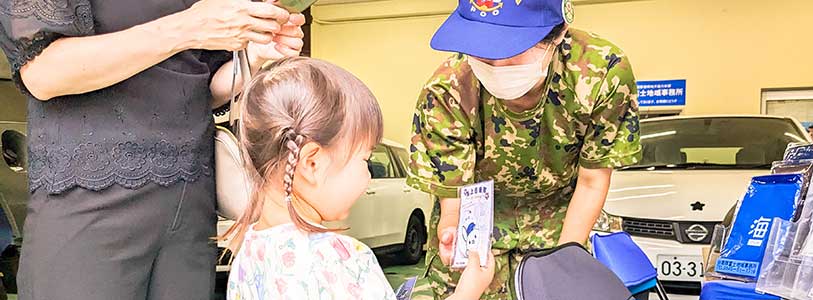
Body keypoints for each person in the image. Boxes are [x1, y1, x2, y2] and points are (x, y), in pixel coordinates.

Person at [0, 0, 304, 299]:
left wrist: (253, 56)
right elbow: (43, 73)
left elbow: (200, 88)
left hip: (190, 203)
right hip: (92, 199)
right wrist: (189, 27)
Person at [407, 0, 642, 298]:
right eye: (482, 49)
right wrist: (451, 230)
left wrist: (563, 265)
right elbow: (454, 195)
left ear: (557, 35)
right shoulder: (447, 90)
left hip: (562, 221)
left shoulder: (601, 74)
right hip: (478, 231)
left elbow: (591, 181)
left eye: (510, 49)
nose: (494, 64)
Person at [222, 57, 495, 299]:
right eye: (365, 159)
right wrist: (467, 292)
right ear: (312, 163)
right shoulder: (342, 259)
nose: (367, 177)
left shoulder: (248, 250)